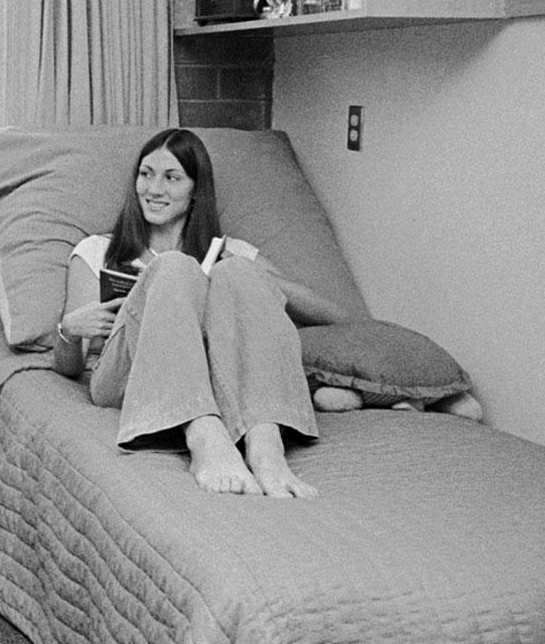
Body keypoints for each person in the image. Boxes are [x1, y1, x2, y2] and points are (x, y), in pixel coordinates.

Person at [52, 128, 353, 499]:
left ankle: (264, 442)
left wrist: (255, 274)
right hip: (126, 377)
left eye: (171, 177)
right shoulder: (97, 250)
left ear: (196, 190)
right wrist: (69, 329)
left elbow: (334, 314)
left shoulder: (230, 251)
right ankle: (204, 436)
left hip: (213, 374)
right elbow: (69, 367)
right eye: (145, 174)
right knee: (175, 268)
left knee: (237, 272)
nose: (154, 188)